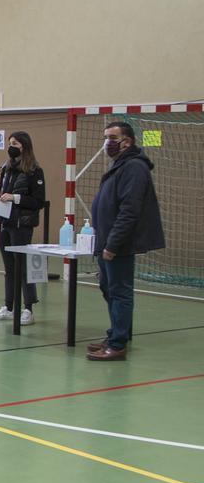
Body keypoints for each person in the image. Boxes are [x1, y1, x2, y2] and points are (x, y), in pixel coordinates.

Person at [86, 121, 165, 361]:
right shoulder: (118, 165)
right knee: (109, 288)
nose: (107, 142)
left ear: (127, 141)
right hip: (106, 241)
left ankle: (118, 344)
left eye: (112, 137)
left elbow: (130, 210)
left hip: (118, 244)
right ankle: (114, 335)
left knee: (120, 291)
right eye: (105, 137)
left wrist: (113, 244)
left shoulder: (134, 167)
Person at [0, 131, 46, 325]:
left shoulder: (35, 170)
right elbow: (0, 188)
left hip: (22, 224)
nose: (12, 147)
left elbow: (38, 201)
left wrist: (15, 198)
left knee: (22, 267)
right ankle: (9, 306)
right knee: (9, 267)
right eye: (10, 143)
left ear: (25, 146)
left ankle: (28, 308)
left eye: (16, 144)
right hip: (4, 222)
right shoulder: (6, 168)